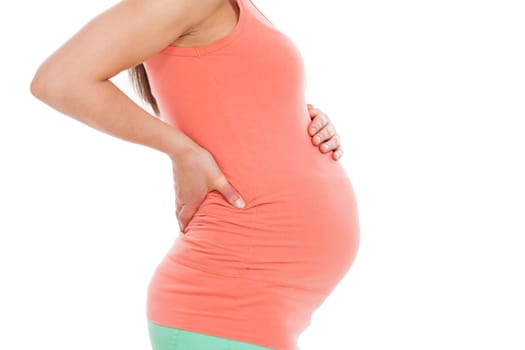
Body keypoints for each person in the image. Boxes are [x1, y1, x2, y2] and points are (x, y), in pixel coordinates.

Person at [30, 0, 360, 349]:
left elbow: (235, 106)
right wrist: (182, 150)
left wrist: (302, 122)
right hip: (224, 302)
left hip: (263, 304)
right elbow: (58, 80)